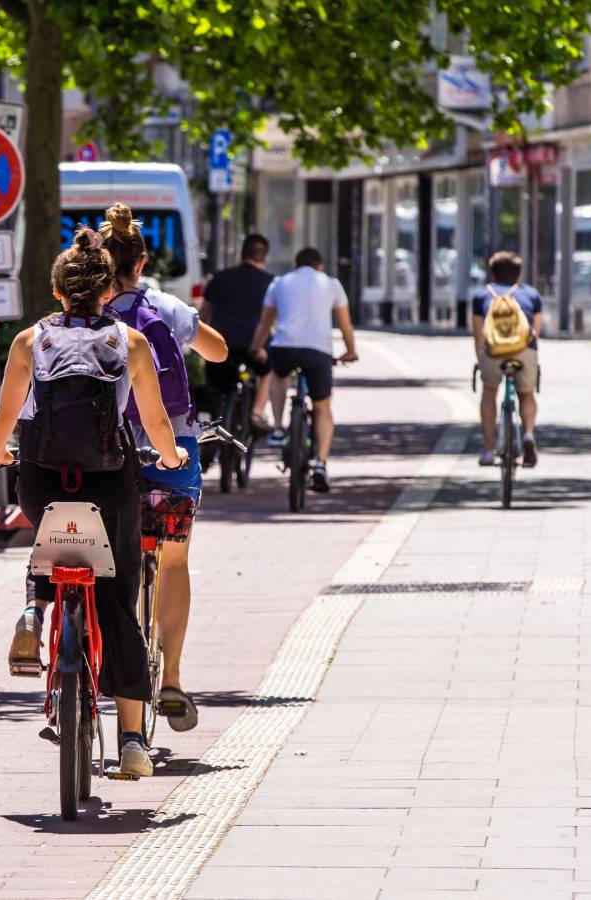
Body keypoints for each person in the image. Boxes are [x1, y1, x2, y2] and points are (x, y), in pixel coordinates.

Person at [0, 227, 188, 778]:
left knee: (47, 543)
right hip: (108, 478)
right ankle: (130, 742)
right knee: (118, 597)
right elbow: (154, 420)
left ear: (56, 291)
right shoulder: (131, 342)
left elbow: (6, 415)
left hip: (43, 477)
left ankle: (35, 607)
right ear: (106, 292)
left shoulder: (30, 341)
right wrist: (169, 459)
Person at [99, 202, 228, 733]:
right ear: (142, 259)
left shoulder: (87, 314)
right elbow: (217, 352)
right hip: (171, 450)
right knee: (173, 564)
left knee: (110, 564)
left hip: (104, 459)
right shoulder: (165, 307)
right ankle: (171, 677)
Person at [249, 247, 357, 493]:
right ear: (320, 266)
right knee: (322, 406)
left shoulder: (279, 282)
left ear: (296, 265)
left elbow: (266, 322)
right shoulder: (331, 284)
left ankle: (277, 428)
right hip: (318, 351)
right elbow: (344, 323)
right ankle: (321, 463)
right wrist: (350, 351)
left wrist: (256, 347)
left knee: (278, 376)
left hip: (284, 347)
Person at [472, 251, 542, 467]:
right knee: (527, 394)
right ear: (518, 275)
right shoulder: (531, 295)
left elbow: (478, 335)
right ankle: (528, 433)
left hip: (494, 352)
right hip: (524, 351)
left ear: (492, 275)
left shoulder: (482, 295)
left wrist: (481, 359)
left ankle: (488, 450)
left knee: (490, 392)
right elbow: (534, 334)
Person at [201, 234, 275, 430]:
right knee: (268, 371)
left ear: (242, 254)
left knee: (216, 385)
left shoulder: (219, 278)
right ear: (265, 257)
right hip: (254, 348)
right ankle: (257, 414)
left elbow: (203, 316)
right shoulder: (271, 282)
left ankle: (216, 415)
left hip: (220, 347)